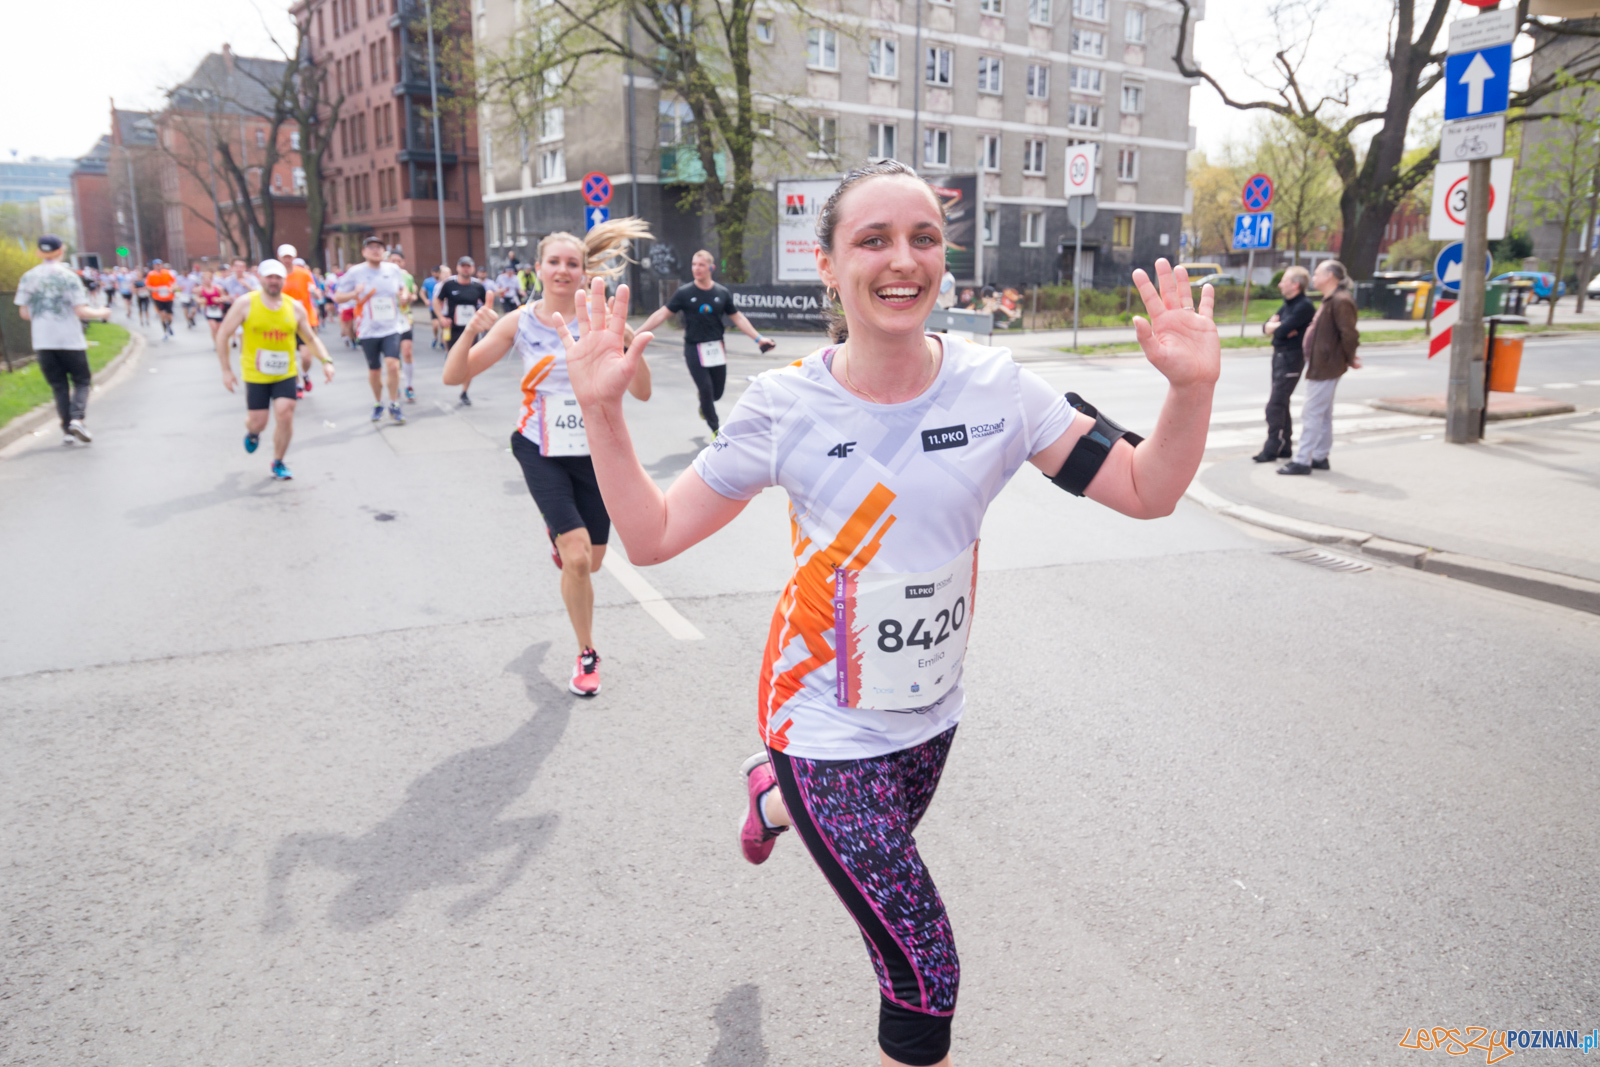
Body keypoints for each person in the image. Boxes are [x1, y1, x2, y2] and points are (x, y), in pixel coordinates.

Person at [558, 160, 1220, 1067]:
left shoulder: (1000, 392)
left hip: (929, 718)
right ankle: (785, 782)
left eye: (922, 239)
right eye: (872, 239)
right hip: (818, 723)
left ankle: (771, 799)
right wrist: (603, 415)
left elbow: (1147, 490)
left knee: (892, 904)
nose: (901, 260)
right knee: (922, 970)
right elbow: (656, 534)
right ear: (827, 264)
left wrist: (1190, 390)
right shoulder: (785, 405)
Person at [441, 218, 654, 697]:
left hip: (595, 452)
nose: (562, 270)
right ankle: (587, 652)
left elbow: (641, 393)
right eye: (553, 262)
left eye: (572, 263)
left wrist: (630, 349)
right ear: (537, 268)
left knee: (593, 561)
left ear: (583, 272)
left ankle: (565, 537)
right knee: (576, 558)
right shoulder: (520, 322)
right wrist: (469, 334)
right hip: (540, 447)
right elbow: (455, 377)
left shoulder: (602, 321)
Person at [214, 258, 335, 479]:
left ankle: (278, 461)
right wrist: (226, 370)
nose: (273, 281)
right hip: (255, 373)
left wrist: (326, 361)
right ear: (260, 278)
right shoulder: (245, 303)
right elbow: (223, 334)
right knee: (259, 421)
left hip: (285, 372)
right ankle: (252, 432)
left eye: (277, 277)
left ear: (283, 280)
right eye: (269, 277)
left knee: (285, 412)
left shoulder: (294, 307)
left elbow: (310, 338)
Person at [635, 249, 777, 436]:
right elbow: (662, 313)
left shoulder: (721, 293)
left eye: (701, 265)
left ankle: (704, 403)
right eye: (694, 264)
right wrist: (636, 333)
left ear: (711, 267)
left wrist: (759, 339)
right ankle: (716, 429)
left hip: (716, 348)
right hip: (694, 348)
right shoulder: (684, 293)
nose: (696, 268)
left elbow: (738, 318)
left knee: (716, 393)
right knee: (706, 388)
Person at [14, 234, 113, 445]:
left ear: (39, 252)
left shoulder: (28, 277)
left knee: (59, 386)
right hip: (69, 339)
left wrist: (44, 316)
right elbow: (80, 310)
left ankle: (67, 430)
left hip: (42, 341)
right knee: (82, 380)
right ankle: (77, 418)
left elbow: (24, 313)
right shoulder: (69, 277)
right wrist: (101, 312)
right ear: (60, 251)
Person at [1278, 259, 1360, 476]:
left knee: (1312, 412)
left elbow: (1349, 334)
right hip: (1322, 363)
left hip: (1326, 365)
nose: (1313, 277)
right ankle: (1320, 456)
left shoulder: (1340, 301)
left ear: (1330, 276)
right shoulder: (1331, 299)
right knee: (1322, 413)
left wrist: (1349, 357)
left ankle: (1303, 460)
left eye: (1317, 273)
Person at [335, 236, 409, 424]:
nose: (375, 250)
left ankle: (394, 403)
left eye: (379, 247)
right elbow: (337, 297)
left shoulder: (393, 270)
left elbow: (403, 289)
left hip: (391, 327)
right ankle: (378, 403)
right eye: (371, 247)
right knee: (375, 370)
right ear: (364, 252)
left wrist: (405, 296)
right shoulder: (355, 272)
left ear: (383, 251)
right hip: (368, 329)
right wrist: (354, 293)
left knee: (393, 365)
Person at [1253, 265, 1315, 463]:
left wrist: (1277, 327)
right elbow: (1266, 327)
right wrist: (1275, 327)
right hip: (1279, 356)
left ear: (1295, 285)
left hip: (1291, 358)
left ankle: (1272, 447)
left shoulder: (1303, 305)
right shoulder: (1288, 304)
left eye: (1284, 280)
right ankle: (1285, 446)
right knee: (1282, 402)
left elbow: (1279, 330)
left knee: (1275, 405)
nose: (1280, 284)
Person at [435, 257, 488, 405]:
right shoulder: (449, 285)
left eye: (468, 266)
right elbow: (437, 301)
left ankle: (465, 391)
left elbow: (486, 304)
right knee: (453, 355)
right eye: (463, 266)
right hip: (452, 328)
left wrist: (482, 318)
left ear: (472, 268)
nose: (466, 269)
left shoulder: (478, 286)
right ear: (458, 268)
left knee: (469, 359)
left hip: (471, 329)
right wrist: (441, 317)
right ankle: (451, 366)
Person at [388, 250, 420, 401]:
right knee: (393, 357)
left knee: (407, 352)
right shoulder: (382, 277)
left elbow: (413, 294)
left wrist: (408, 297)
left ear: (403, 263)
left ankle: (408, 385)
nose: (395, 264)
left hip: (404, 317)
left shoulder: (407, 277)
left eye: (398, 261)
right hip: (388, 320)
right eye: (392, 261)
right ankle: (397, 384)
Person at [197, 269, 228, 342]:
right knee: (213, 327)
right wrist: (200, 301)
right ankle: (216, 343)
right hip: (208, 310)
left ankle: (219, 340)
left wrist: (219, 299)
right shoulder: (201, 289)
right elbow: (197, 297)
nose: (207, 281)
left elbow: (224, 297)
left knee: (219, 328)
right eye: (205, 279)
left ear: (212, 279)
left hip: (218, 309)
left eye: (208, 279)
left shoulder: (218, 288)